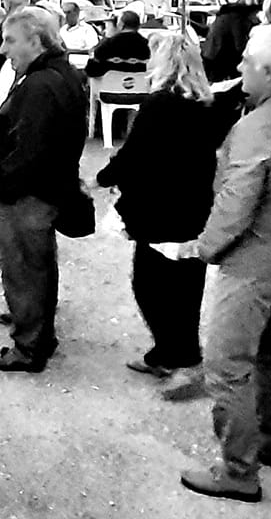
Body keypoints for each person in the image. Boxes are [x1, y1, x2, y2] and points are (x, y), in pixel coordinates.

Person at [152, 26, 271, 502]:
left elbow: (237, 201)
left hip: (258, 259)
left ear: (268, 72)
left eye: (247, 63)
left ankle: (238, 470)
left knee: (227, 362)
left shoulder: (259, 128)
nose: (238, 69)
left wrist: (202, 248)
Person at [95, 32, 225, 382]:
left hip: (161, 208)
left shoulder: (159, 105)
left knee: (149, 285)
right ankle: (183, 350)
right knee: (186, 286)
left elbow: (134, 156)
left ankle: (170, 352)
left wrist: (104, 177)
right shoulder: (207, 106)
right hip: (194, 206)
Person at [0, 5, 88, 373]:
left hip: (28, 195)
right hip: (43, 190)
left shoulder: (42, 84)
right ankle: (38, 330)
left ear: (36, 41)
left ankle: (29, 346)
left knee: (24, 268)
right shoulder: (60, 74)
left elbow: (30, 149)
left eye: (10, 41)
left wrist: (4, 185)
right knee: (38, 266)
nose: (4, 50)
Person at [85, 10, 152, 79]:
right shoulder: (147, 45)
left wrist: (108, 36)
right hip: (140, 87)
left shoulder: (108, 44)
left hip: (108, 87)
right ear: (138, 25)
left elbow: (91, 70)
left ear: (121, 24)